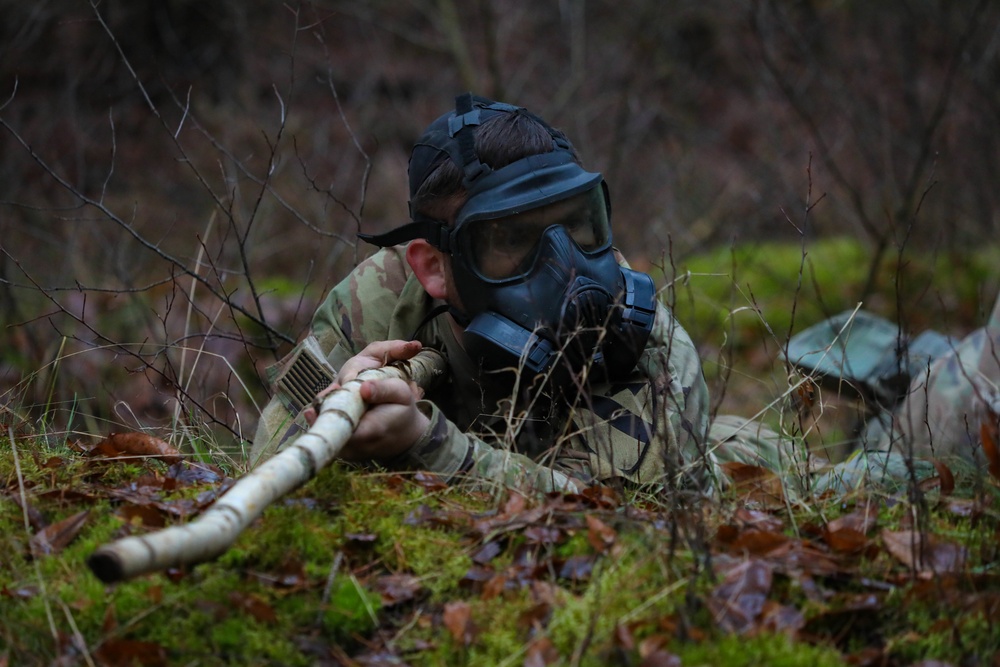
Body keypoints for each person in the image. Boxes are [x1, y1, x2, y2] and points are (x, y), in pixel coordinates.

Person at [249, 93, 730, 493]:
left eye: (578, 224)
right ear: (433, 267)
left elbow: (614, 521)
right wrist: (342, 416)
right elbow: (268, 476)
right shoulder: (376, 301)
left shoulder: (638, 332)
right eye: (511, 240)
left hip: (730, 459)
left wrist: (423, 441)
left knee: (757, 463)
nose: (566, 269)